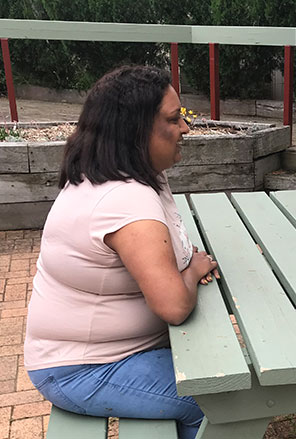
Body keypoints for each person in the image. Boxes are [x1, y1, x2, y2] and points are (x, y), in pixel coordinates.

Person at [24, 65, 218, 439]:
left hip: (110, 353)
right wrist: (192, 269)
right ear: (136, 130)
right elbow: (174, 307)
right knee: (216, 399)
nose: (185, 129)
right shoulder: (124, 199)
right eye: (174, 119)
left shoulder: (116, 171)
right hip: (83, 369)